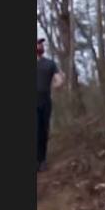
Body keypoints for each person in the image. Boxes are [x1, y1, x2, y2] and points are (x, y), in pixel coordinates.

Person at [37, 38, 64, 172]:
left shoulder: (49, 63)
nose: (40, 45)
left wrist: (58, 83)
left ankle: (42, 160)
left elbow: (58, 77)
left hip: (45, 101)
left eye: (41, 43)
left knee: (43, 130)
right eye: (38, 43)